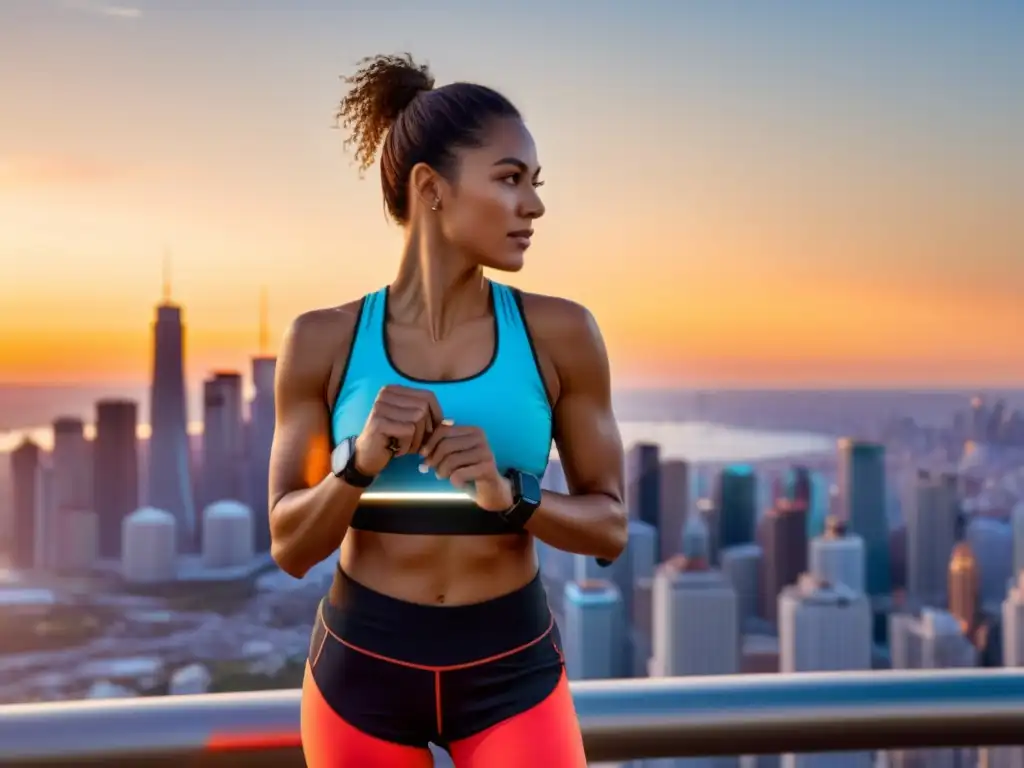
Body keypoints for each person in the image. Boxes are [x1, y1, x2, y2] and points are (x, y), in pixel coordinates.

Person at [268, 53, 627, 768]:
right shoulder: (323, 340)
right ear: (431, 188)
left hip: (511, 671)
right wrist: (357, 464)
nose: (535, 206)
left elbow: (610, 527)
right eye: (509, 178)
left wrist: (513, 497)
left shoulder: (561, 333)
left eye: (535, 183)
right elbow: (290, 545)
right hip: (359, 672)